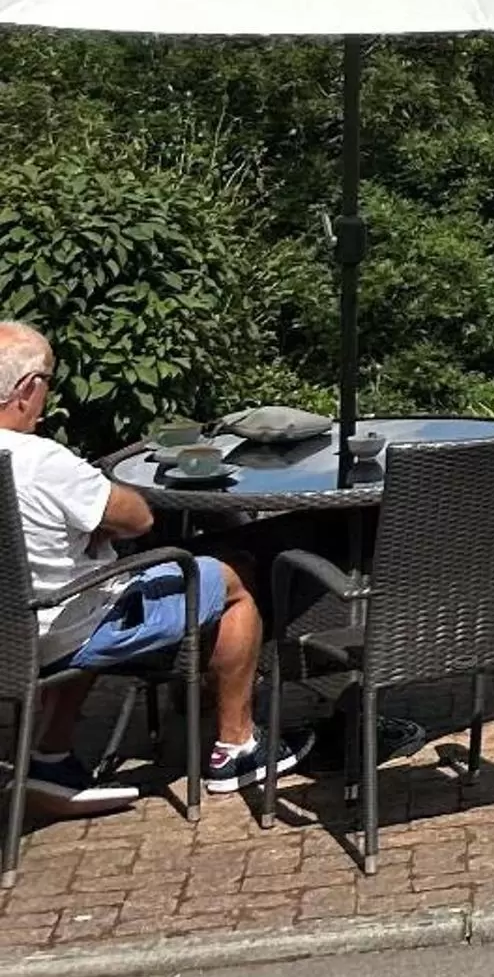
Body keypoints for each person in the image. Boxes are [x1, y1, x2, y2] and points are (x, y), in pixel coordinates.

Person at [0, 321, 293, 810]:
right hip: (59, 629)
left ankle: (49, 754)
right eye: (47, 381)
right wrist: (98, 522)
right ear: (28, 389)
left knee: (78, 589)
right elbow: (137, 518)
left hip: (13, 635)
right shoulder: (39, 461)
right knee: (234, 578)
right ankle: (237, 747)